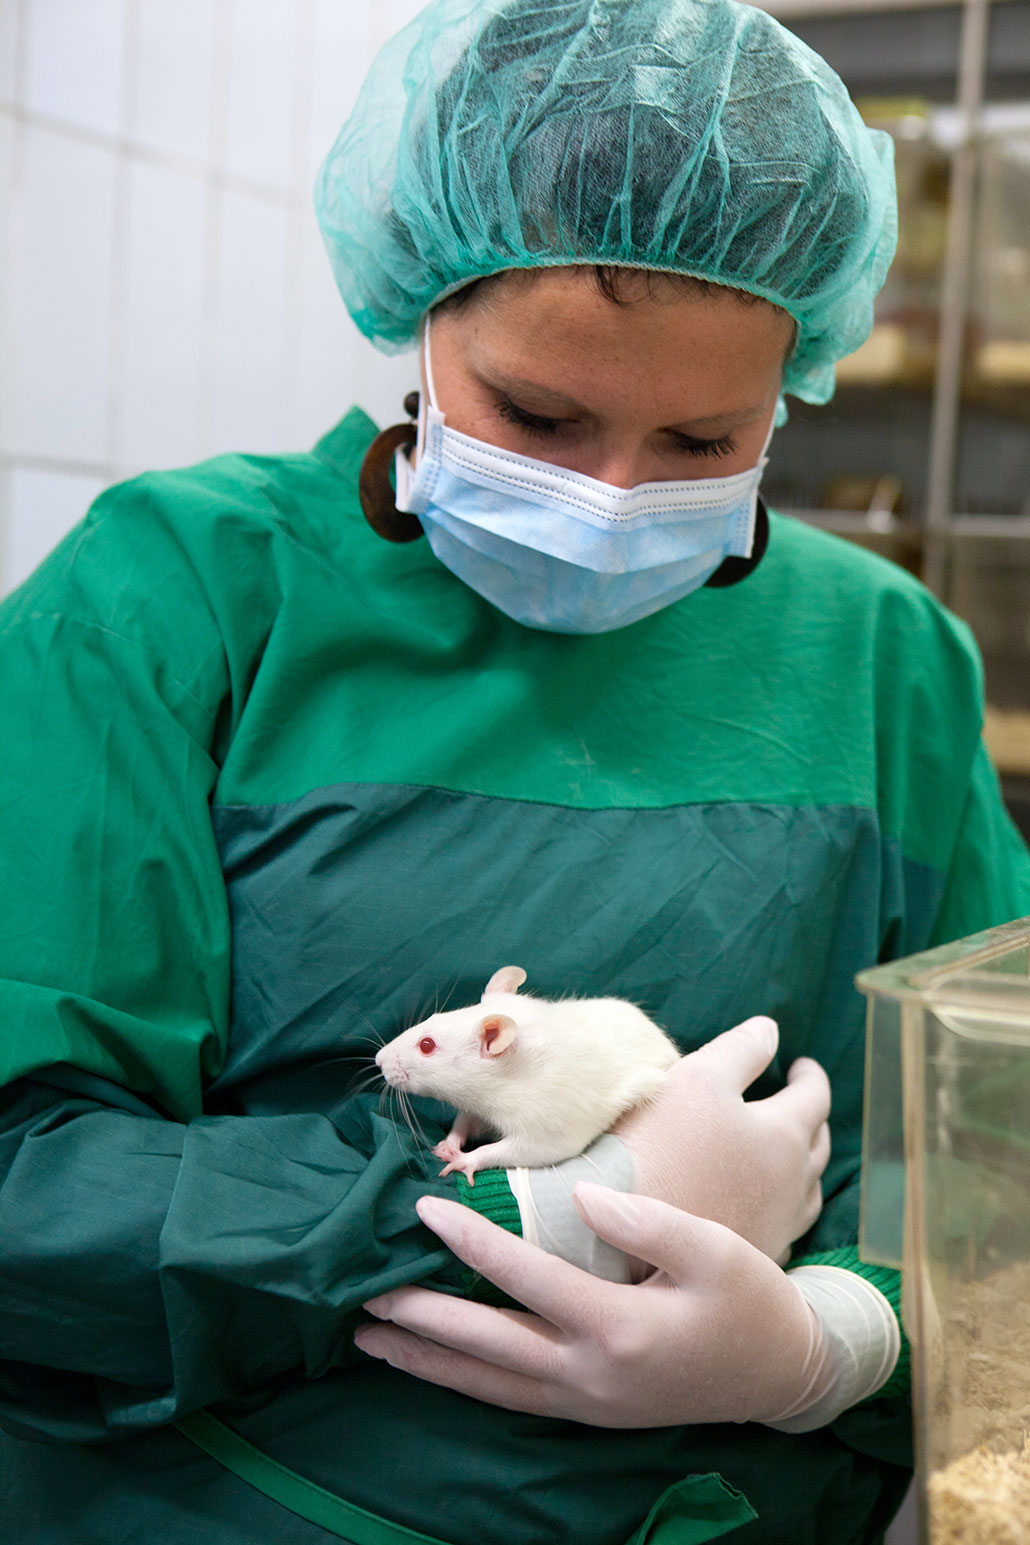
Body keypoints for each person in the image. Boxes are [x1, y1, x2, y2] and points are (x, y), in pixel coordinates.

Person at [1, 0, 1028, 1541]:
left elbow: (982, 1160)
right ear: (419, 307)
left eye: (703, 440)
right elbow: (31, 1184)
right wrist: (541, 1214)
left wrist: (839, 1344)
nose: (612, 497)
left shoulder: (885, 657)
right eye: (535, 416)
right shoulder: (175, 596)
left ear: (794, 383)